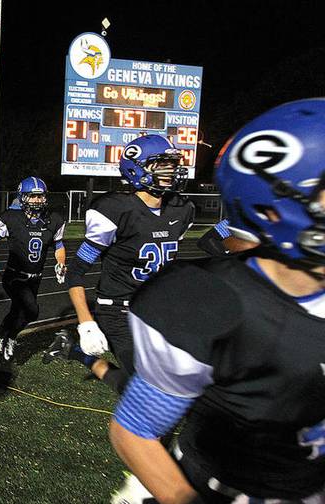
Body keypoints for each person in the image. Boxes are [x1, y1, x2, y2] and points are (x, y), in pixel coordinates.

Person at [109, 99, 325, 503]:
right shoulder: (208, 302)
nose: (170, 173)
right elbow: (135, 429)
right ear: (275, 207)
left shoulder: (183, 211)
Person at [57, 134, 195, 394]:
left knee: (182, 379)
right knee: (149, 388)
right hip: (118, 312)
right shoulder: (114, 210)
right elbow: (76, 271)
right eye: (162, 164)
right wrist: (86, 323)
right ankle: (81, 353)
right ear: (137, 168)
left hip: (156, 309)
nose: (171, 170)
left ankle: (73, 351)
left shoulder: (182, 209)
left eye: (173, 164)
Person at [0, 176, 66, 361]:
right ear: (22, 197)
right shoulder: (11, 218)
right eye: (32, 196)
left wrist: (61, 263)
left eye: (40, 196)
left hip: (35, 278)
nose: (37, 201)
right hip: (14, 276)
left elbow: (58, 246)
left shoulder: (53, 219)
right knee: (31, 311)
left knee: (17, 311)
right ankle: (10, 338)